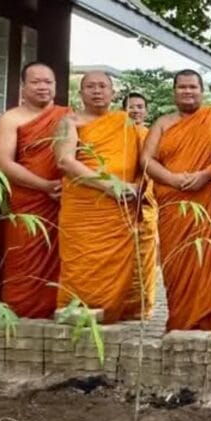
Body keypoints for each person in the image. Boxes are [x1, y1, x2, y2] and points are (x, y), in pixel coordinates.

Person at [54, 71, 157, 323]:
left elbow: (145, 163)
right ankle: (78, 312)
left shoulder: (126, 124)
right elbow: (65, 161)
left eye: (102, 86)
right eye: (90, 86)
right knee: (82, 261)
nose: (97, 91)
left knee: (118, 262)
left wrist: (135, 186)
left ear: (113, 93)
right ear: (81, 93)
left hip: (119, 208)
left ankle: (117, 311)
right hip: (84, 208)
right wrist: (109, 186)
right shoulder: (69, 122)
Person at [141, 69, 211, 331]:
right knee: (177, 266)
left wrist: (206, 174)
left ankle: (207, 325)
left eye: (193, 87)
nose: (188, 92)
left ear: (202, 91)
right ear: (174, 91)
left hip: (207, 204)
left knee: (206, 266)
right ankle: (179, 322)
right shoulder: (162, 123)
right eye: (182, 87)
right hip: (173, 206)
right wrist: (172, 178)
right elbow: (146, 159)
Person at [0, 62, 69, 318]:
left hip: (64, 200)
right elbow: (2, 162)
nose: (43, 87)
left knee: (66, 258)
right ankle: (21, 314)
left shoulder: (68, 115)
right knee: (24, 259)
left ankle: (61, 310)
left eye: (48, 82)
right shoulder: (10, 119)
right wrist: (44, 185)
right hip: (28, 202)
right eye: (36, 82)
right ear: (23, 86)